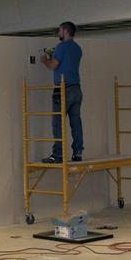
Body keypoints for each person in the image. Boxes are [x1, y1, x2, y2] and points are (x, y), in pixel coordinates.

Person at [40, 21, 83, 163]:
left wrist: (45, 60)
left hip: (63, 89)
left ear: (65, 31)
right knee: (76, 122)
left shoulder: (61, 46)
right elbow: (67, 64)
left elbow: (53, 65)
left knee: (58, 122)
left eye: (59, 30)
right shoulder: (77, 48)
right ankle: (77, 152)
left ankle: (57, 155)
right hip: (77, 89)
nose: (58, 33)